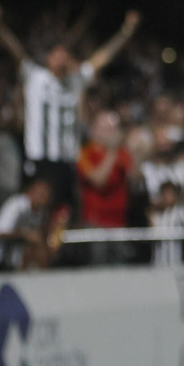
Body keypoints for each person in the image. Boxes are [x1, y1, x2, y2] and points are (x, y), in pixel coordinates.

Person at [0, 3, 140, 218]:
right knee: (34, 212)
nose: (62, 58)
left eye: (65, 54)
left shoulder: (76, 81)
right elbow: (15, 51)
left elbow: (101, 58)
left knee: (65, 215)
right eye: (57, 54)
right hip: (40, 160)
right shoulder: (36, 77)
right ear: (48, 58)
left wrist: (125, 32)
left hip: (67, 160)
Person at [77, 111, 134, 264]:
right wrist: (112, 152)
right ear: (94, 129)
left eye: (112, 129)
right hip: (96, 224)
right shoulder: (85, 153)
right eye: (105, 129)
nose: (109, 133)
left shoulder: (122, 153)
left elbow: (134, 177)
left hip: (119, 223)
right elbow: (99, 180)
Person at [0, 176, 54, 271]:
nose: (44, 200)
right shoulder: (17, 204)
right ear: (31, 192)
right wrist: (25, 235)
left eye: (46, 197)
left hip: (12, 263)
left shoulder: (39, 214)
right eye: (42, 195)